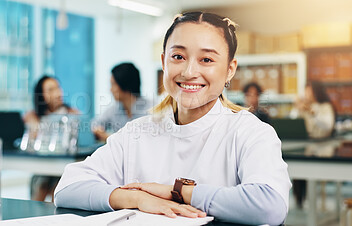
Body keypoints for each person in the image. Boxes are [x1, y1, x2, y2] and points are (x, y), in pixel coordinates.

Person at [54, 12, 291, 225]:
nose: (189, 72)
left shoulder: (249, 131)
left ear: (230, 69)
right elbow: (67, 188)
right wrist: (136, 198)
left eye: (206, 60)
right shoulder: (137, 132)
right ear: (163, 62)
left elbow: (269, 205)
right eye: (178, 56)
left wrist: (176, 192)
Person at [24, 75, 80, 201]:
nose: (57, 93)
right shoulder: (34, 116)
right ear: (41, 95)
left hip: (64, 166)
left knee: (58, 186)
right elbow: (33, 139)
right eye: (50, 90)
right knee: (40, 183)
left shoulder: (72, 113)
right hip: (44, 166)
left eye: (58, 88)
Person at [291, 81, 336, 208]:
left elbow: (327, 125)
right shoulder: (305, 106)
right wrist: (296, 108)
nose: (307, 93)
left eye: (309, 90)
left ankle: (310, 203)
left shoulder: (325, 107)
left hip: (322, 148)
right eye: (306, 90)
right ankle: (299, 200)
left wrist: (312, 112)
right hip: (306, 147)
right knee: (297, 169)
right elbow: (293, 122)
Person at [92, 62, 152, 142]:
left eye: (113, 84)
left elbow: (142, 141)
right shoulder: (114, 109)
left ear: (124, 84)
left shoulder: (151, 109)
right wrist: (98, 130)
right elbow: (95, 124)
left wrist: (110, 138)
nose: (111, 89)